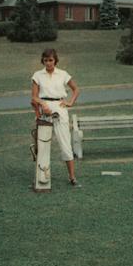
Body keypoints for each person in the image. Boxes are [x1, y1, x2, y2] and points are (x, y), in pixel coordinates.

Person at [31, 48, 80, 186]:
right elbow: (34, 97)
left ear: (55, 60)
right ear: (43, 61)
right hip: (44, 108)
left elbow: (76, 89)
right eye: (46, 60)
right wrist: (42, 104)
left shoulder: (63, 74)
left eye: (51, 60)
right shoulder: (37, 75)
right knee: (42, 144)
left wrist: (70, 102)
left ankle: (72, 177)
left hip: (60, 108)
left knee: (65, 143)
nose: (48, 63)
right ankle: (41, 177)